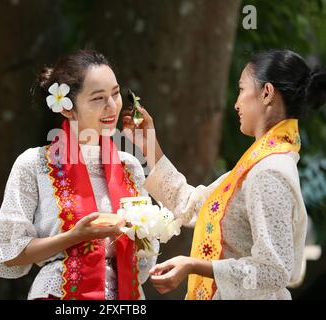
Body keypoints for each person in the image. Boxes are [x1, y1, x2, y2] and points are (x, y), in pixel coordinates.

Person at [122, 49, 326, 299]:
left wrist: (194, 265)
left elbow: (274, 271)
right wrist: (148, 144)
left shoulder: (270, 172)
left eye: (241, 90)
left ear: (267, 93)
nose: (236, 103)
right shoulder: (256, 166)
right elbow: (190, 204)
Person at [0, 50, 157, 300]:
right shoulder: (34, 164)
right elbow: (9, 253)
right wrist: (73, 237)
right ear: (68, 109)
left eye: (115, 93)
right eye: (98, 98)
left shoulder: (129, 166)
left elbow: (145, 257)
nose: (112, 106)